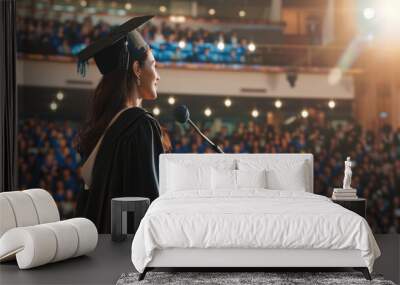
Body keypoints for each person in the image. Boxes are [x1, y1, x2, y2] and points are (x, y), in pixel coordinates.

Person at [74, 16, 171, 233]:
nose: (157, 76)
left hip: (98, 244)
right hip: (130, 249)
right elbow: (150, 202)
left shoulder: (100, 128)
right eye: (154, 65)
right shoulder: (140, 126)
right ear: (137, 69)